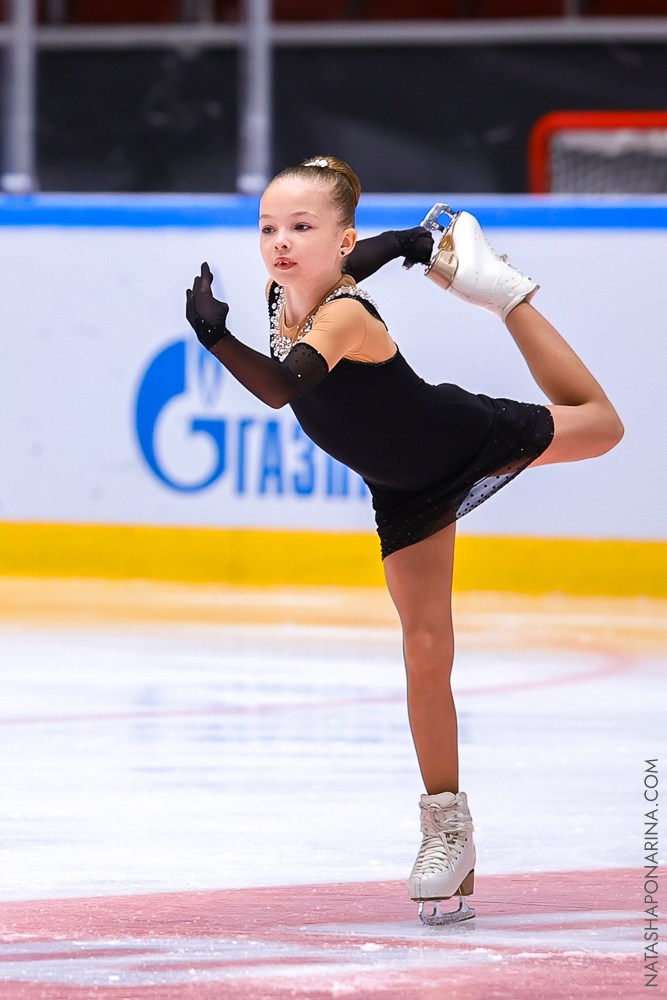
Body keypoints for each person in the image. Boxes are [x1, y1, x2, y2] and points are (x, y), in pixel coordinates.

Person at [186, 155, 623, 925]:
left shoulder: (346, 314)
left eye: (300, 228)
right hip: (401, 490)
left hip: (457, 438)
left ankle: (504, 293)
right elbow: (345, 262)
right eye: (267, 229)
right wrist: (403, 244)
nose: (280, 244)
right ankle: (447, 832)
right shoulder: (280, 293)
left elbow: (284, 388)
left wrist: (213, 337)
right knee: (425, 649)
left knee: (600, 425)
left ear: (337, 236)